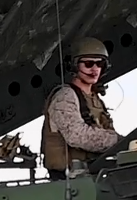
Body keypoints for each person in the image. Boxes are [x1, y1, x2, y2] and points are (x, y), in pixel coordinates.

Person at [41, 36, 121, 179]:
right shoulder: (65, 97)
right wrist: (117, 141)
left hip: (91, 174)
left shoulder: (94, 99)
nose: (95, 69)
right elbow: (76, 136)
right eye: (89, 64)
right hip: (68, 179)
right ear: (74, 66)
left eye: (100, 64)